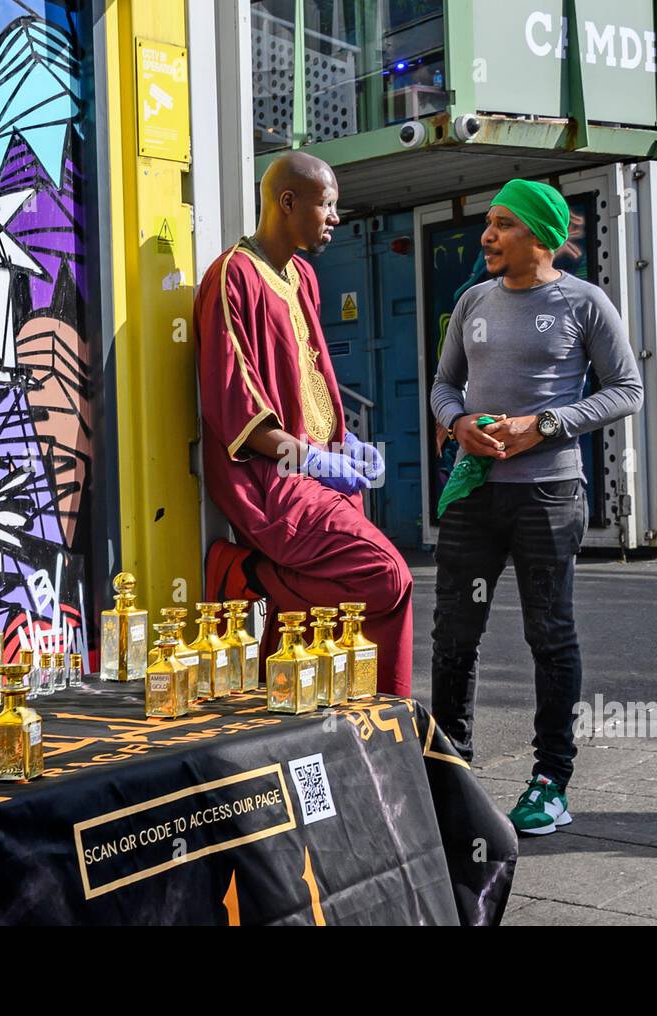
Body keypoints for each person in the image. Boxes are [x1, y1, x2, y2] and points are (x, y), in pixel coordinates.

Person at [429, 178, 643, 834]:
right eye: (488, 223)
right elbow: (443, 384)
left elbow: (626, 389)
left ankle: (551, 781)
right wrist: (458, 422)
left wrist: (543, 426)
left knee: (549, 635)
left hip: (549, 495)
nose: (488, 236)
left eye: (504, 224)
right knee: (454, 636)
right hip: (473, 494)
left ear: (543, 237)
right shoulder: (473, 302)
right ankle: (451, 773)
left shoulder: (584, 302)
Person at [194, 151, 414, 694]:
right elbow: (233, 402)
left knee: (357, 611)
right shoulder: (232, 274)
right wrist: (311, 458)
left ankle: (355, 714)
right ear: (287, 202)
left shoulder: (305, 277)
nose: (336, 217)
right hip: (275, 479)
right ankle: (246, 575)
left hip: (317, 472)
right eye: (328, 204)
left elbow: (312, 378)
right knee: (387, 576)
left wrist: (346, 443)